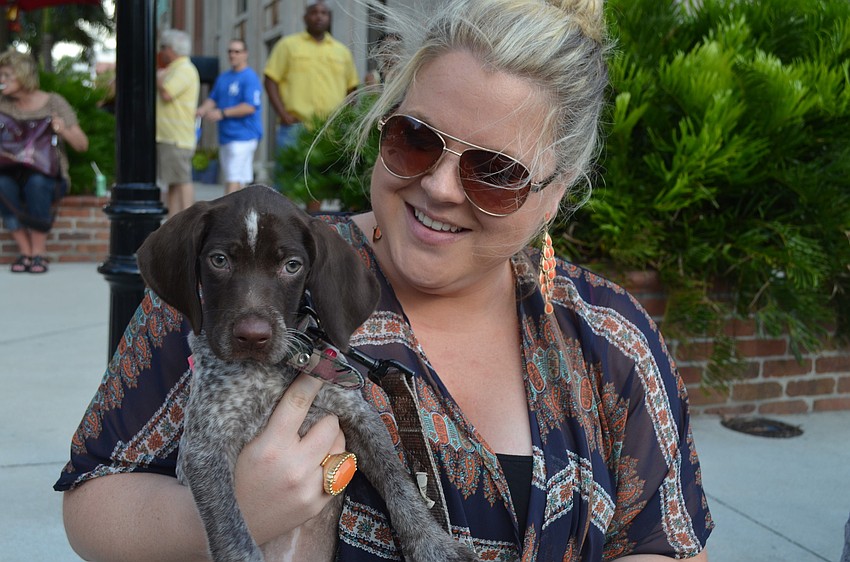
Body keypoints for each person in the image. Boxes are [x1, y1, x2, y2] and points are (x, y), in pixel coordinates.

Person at [56, 0, 713, 560]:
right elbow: (91, 501)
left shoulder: (610, 337)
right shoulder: (225, 285)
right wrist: (233, 514)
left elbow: (665, 543)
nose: (439, 187)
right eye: (416, 139)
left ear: (555, 193)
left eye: (495, 172)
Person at [0, 49, 88, 274]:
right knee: (2, 185)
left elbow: (82, 145)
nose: (2, 80)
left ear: (23, 75)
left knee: (37, 184)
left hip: (47, 174)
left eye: (7, 75)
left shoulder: (54, 102)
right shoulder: (2, 104)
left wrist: (62, 130)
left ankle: (39, 252)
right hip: (9, 172)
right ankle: (26, 251)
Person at [263, 0, 359, 152]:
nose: (319, 17)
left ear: (329, 18)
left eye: (324, 13)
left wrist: (345, 120)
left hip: (332, 131)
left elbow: (352, 89)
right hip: (295, 128)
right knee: (292, 168)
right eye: (314, 13)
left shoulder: (342, 52)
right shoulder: (287, 45)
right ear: (305, 18)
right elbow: (270, 80)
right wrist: (283, 114)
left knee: (329, 168)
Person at [196, 39, 263, 194]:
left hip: (244, 135)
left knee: (232, 177)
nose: (233, 55)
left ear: (245, 54)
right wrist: (202, 110)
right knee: (239, 179)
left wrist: (222, 113)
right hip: (226, 136)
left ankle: (227, 209)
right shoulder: (223, 78)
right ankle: (243, 209)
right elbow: (213, 99)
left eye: (237, 51)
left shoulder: (250, 77)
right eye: (230, 51)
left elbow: (250, 106)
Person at [156, 29, 200, 217]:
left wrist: (158, 78)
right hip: (170, 136)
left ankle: (190, 220)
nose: (161, 52)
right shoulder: (176, 68)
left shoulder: (184, 69)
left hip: (177, 137)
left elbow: (167, 93)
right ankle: (173, 222)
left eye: (163, 47)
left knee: (182, 180)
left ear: (172, 49)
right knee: (173, 182)